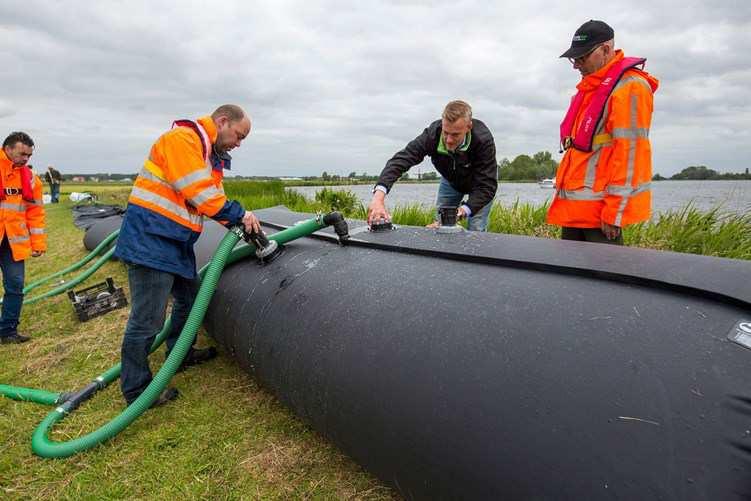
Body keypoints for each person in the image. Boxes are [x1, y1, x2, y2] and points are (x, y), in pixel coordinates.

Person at [114, 105, 261, 407]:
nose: (239, 143)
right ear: (222, 122)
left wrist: (239, 223)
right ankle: (137, 389)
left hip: (174, 241)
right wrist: (240, 214)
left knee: (190, 299)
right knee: (147, 320)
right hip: (151, 239)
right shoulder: (183, 140)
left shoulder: (208, 155)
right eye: (238, 135)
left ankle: (179, 353)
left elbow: (211, 199)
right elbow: (201, 194)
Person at [547, 20, 659, 244]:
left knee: (604, 277)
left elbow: (630, 154)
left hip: (600, 216)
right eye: (574, 58)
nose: (576, 65)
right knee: (567, 277)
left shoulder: (630, 87)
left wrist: (614, 213)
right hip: (574, 213)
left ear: (606, 50)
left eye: (582, 57)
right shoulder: (591, 88)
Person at [367, 100, 498, 231]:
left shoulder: (483, 140)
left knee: (476, 227)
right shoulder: (432, 135)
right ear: (442, 124)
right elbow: (401, 160)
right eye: (446, 132)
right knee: (440, 225)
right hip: (450, 181)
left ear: (468, 127)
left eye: (455, 135)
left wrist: (461, 212)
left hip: (480, 185)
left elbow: (487, 186)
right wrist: (378, 198)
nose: (449, 140)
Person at [0, 132, 46, 344]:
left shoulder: (30, 179)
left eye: (29, 155)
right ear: (8, 149)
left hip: (13, 243)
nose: (26, 159)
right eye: (22, 154)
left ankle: (8, 332)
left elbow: (35, 213)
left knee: (15, 285)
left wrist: (38, 243)